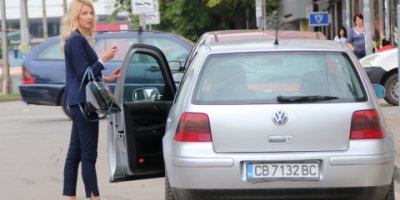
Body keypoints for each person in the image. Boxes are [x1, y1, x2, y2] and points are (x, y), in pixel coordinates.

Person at [60, 0, 120, 199]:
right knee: (88, 156)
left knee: (74, 155)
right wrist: (103, 59)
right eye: (84, 13)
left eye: (91, 13)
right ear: (75, 16)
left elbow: (85, 74)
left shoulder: (78, 39)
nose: (89, 17)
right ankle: (94, 197)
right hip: (83, 104)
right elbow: (84, 74)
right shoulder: (76, 40)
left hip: (78, 102)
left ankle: (70, 196)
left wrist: (106, 77)